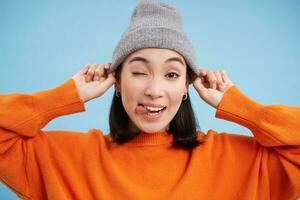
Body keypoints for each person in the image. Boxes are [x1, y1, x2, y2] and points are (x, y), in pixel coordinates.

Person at [0, 0, 299, 199]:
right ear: (116, 81)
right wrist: (64, 96)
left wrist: (241, 108)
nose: (154, 90)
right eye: (140, 72)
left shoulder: (241, 161)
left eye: (171, 75)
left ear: (187, 87)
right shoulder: (66, 158)